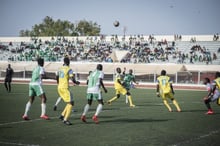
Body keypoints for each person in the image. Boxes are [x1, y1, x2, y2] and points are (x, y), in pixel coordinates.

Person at [57, 57, 80, 125]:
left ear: (64, 62)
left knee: (69, 101)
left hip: (59, 87)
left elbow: (57, 77)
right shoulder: (69, 69)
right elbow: (72, 78)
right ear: (69, 62)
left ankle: (62, 115)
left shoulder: (60, 68)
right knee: (71, 103)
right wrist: (76, 82)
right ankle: (65, 119)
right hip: (64, 88)